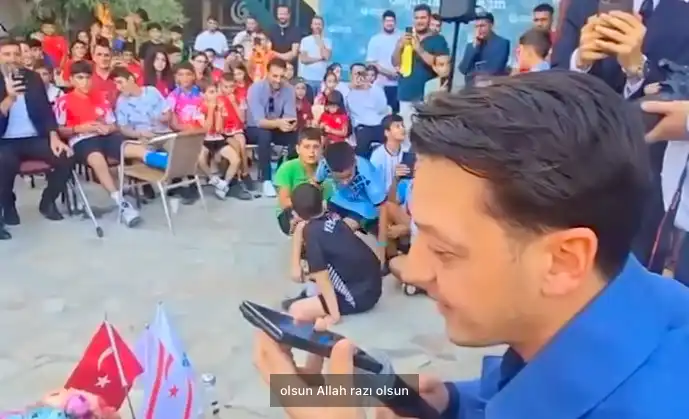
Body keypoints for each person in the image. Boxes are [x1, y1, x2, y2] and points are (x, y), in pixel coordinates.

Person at [253, 71, 689, 419]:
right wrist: (452, 404)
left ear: (563, 260)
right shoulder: (627, 306)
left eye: (444, 251)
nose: (413, 271)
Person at [55, 61, 149, 227]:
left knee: (135, 149)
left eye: (88, 78)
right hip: (81, 139)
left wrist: (107, 128)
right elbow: (58, 130)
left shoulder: (100, 97)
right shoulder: (63, 101)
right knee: (97, 159)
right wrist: (79, 128)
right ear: (72, 80)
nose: (85, 82)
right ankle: (122, 203)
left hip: (105, 136)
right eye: (80, 78)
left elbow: (114, 124)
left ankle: (168, 164)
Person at [0, 38, 73, 240]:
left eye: (16, 54)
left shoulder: (32, 77)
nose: (12, 58)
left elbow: (45, 110)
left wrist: (54, 136)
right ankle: (7, 205)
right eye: (6, 54)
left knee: (65, 157)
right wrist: (9, 98)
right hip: (5, 140)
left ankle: (47, 202)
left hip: (34, 137)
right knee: (3, 164)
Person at [283, 183, 383, 324]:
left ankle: (324, 302)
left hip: (358, 297)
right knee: (321, 263)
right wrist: (295, 264)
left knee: (295, 310)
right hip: (371, 284)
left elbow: (322, 277)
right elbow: (302, 226)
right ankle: (314, 296)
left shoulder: (313, 235)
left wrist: (333, 316)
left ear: (297, 213)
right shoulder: (331, 217)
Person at [315, 142, 388, 261]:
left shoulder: (367, 173)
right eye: (339, 178)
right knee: (319, 227)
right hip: (339, 200)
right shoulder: (325, 164)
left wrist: (382, 250)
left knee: (339, 231)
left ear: (354, 163)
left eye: (348, 176)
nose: (344, 182)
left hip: (363, 208)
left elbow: (383, 210)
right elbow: (315, 184)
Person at [392, 4, 449, 135]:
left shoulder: (438, 40)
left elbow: (440, 65)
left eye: (423, 18)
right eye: (416, 18)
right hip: (406, 93)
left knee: (426, 134)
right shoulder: (405, 38)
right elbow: (395, 63)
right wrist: (398, 47)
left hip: (427, 96)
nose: (419, 21)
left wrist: (419, 49)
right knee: (406, 133)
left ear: (429, 19)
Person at [245, 57, 298, 198]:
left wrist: (290, 125)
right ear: (267, 73)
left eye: (281, 76)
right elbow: (259, 121)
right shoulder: (255, 89)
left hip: (277, 125)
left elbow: (290, 116)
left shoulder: (289, 89)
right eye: (275, 76)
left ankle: (288, 175)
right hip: (254, 128)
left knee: (296, 136)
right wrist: (280, 123)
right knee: (264, 134)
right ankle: (266, 179)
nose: (278, 80)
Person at [274, 127, 330, 235]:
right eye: (307, 147)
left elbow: (330, 200)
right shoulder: (287, 168)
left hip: (320, 211)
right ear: (298, 149)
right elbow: (284, 202)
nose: (312, 152)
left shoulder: (326, 169)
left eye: (316, 147)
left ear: (322, 149)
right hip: (291, 211)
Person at [111, 67, 171, 139]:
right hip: (142, 139)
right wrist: (140, 134)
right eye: (115, 84)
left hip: (163, 134)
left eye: (120, 82)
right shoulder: (121, 102)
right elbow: (123, 128)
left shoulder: (152, 91)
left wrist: (163, 118)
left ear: (131, 79)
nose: (118, 87)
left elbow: (167, 112)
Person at [345, 63, 389, 157]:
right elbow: (343, 109)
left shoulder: (376, 89)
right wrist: (351, 89)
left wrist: (368, 89)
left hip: (378, 124)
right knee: (363, 141)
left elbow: (382, 108)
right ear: (350, 75)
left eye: (362, 73)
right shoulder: (345, 90)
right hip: (361, 126)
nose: (360, 77)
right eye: (357, 74)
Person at [458, 12, 511, 85]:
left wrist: (472, 73)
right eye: (476, 26)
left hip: (491, 88)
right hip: (471, 89)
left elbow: (495, 69)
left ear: (491, 25)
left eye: (482, 26)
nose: (479, 30)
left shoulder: (502, 43)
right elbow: (463, 69)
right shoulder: (471, 46)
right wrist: (474, 47)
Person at [366, 10, 402, 114]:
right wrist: (389, 73)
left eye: (392, 21)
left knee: (396, 114)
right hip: (380, 84)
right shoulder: (375, 40)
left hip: (399, 84)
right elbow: (371, 63)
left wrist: (398, 73)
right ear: (382, 22)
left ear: (395, 22)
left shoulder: (402, 38)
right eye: (387, 21)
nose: (389, 23)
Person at [298, 16, 332, 94]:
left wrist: (320, 43)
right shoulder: (305, 40)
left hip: (322, 79)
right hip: (307, 79)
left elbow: (326, 56)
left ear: (323, 26)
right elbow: (304, 59)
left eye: (319, 24)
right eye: (315, 24)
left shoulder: (327, 41)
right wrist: (320, 58)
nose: (317, 26)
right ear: (311, 26)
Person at [267, 5, 301, 69]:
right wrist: (283, 56)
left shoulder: (296, 30)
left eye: (284, 14)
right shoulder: (271, 29)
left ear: (289, 15)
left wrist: (275, 54)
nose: (282, 16)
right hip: (274, 67)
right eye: (280, 14)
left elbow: (294, 54)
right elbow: (268, 50)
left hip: (290, 68)